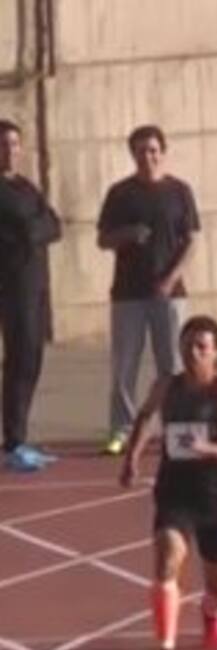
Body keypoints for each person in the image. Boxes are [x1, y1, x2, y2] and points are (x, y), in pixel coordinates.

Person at [119, 315, 217, 650]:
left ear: (216, 355)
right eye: (187, 345)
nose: (192, 353)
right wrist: (132, 457)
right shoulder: (167, 386)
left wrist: (208, 448)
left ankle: (211, 612)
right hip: (175, 491)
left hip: (215, 495)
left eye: (201, 347)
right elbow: (146, 416)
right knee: (166, 561)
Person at [98, 123, 201, 456]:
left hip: (169, 295)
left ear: (163, 152)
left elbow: (192, 240)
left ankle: (175, 428)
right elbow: (103, 239)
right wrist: (127, 234)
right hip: (128, 294)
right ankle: (122, 431)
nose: (149, 157)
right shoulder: (120, 194)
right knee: (124, 365)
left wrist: (171, 279)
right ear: (133, 155)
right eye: (142, 151)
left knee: (172, 365)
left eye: (154, 150)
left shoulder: (179, 192)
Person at [0, 119, 61, 472]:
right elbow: (17, 232)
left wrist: (33, 230)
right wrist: (31, 231)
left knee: (33, 358)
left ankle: (20, 435)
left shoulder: (25, 186)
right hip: (14, 284)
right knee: (20, 358)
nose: (10, 151)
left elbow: (53, 224)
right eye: (4, 145)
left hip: (37, 282)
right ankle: (13, 440)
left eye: (14, 144)